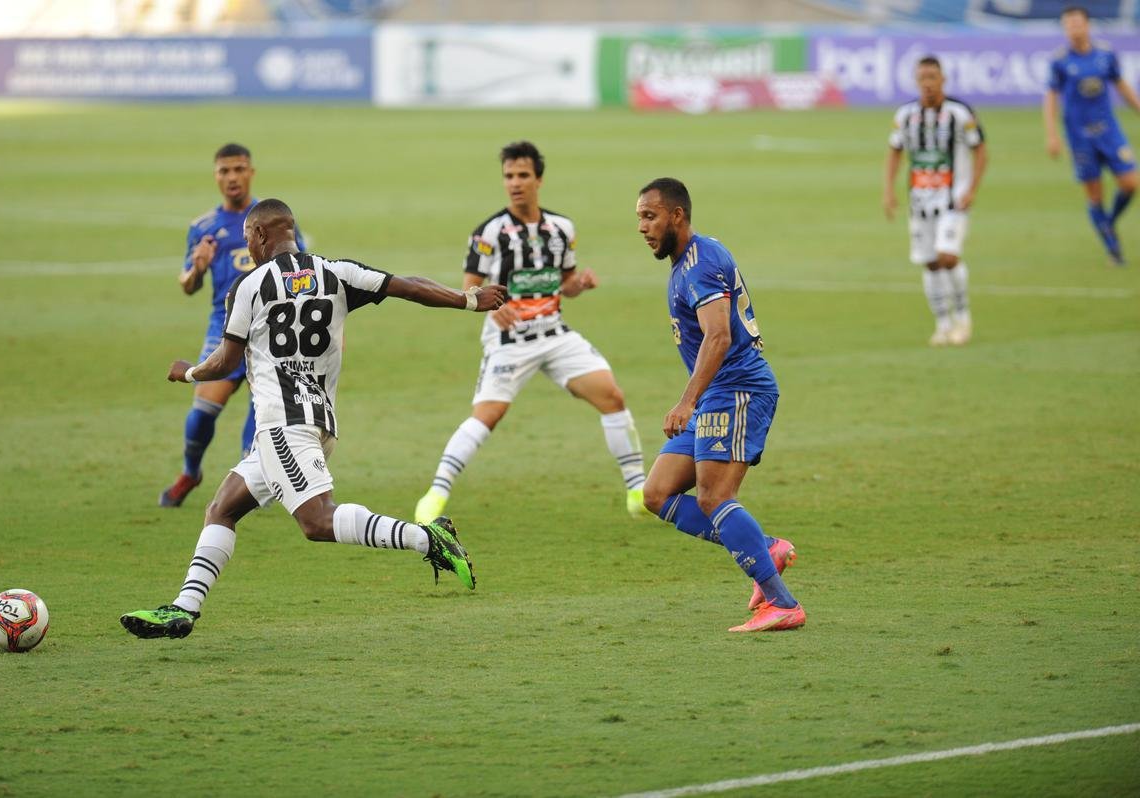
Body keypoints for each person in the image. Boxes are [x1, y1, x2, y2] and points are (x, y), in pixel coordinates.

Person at [121, 199, 509, 639]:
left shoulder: (248, 287)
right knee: (223, 507)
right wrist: (469, 300)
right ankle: (183, 608)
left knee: (316, 522)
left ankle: (428, 539)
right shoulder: (337, 272)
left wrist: (187, 371)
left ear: (261, 235)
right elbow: (408, 286)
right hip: (320, 420)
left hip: (283, 425)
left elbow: (225, 361)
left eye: (249, 236)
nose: (248, 245)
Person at [412, 140, 646, 524]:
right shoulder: (489, 232)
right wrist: (490, 308)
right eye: (508, 176)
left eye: (522, 175)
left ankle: (638, 491)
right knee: (487, 416)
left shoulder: (561, 228)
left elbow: (564, 282)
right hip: (510, 340)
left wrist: (580, 285)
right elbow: (468, 289)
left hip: (554, 334)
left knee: (612, 396)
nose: (515, 183)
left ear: (538, 179)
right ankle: (436, 492)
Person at [635, 178, 804, 633]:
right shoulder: (687, 261)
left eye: (650, 216)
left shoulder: (701, 263)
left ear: (677, 215)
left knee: (713, 497)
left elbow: (719, 335)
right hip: (717, 392)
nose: (642, 227)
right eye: (639, 218)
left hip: (738, 389)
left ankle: (782, 603)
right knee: (656, 494)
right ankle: (764, 548)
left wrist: (687, 401)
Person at [159, 143, 306, 507]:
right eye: (224, 171)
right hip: (223, 330)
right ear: (216, 176)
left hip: (271, 333)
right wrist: (199, 267)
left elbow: (299, 271)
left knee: (261, 415)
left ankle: (248, 480)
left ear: (251, 172)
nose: (232, 177)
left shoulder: (273, 220)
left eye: (238, 169)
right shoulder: (203, 228)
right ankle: (190, 472)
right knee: (201, 414)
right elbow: (187, 285)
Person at [884, 56, 987, 347]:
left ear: (943, 80)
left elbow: (981, 150)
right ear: (917, 82)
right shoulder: (905, 115)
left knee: (948, 256)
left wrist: (972, 189)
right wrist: (889, 190)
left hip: (953, 199)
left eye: (932, 77)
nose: (927, 84)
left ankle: (963, 318)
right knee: (930, 263)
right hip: (919, 201)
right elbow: (894, 151)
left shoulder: (960, 113)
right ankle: (942, 323)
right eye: (922, 78)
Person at [1044, 4, 1140, 266]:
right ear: (1065, 28)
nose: (1073, 28)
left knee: (1131, 184)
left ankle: (1107, 223)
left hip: (1109, 131)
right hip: (1079, 137)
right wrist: (1052, 135)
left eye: (1077, 23)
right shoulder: (1060, 60)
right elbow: (1051, 97)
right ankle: (1113, 248)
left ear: (1087, 25)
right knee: (1095, 194)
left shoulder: (1105, 55)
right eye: (1068, 24)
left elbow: (1121, 85)